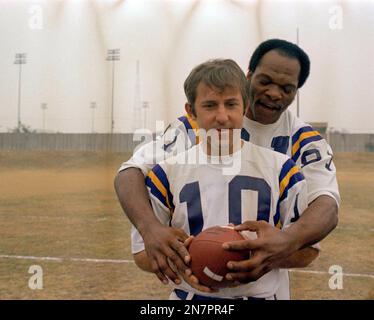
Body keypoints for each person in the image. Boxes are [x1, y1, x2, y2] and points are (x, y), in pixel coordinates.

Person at [114, 39, 340, 299]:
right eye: (265, 81)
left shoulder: (305, 142)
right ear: (249, 77)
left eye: (287, 88)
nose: (275, 93)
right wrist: (150, 228)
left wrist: (286, 243)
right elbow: (130, 172)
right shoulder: (192, 128)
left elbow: (326, 206)